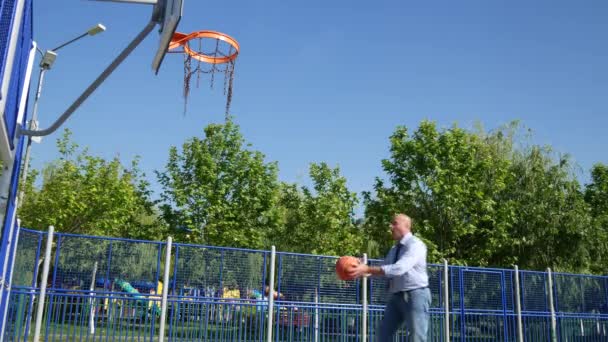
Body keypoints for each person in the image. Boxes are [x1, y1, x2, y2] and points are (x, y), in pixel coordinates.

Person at [350, 213, 431, 342]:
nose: (390, 226)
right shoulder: (394, 249)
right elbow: (384, 269)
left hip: (415, 294)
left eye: (394, 223)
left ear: (406, 225)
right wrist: (359, 271)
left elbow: (399, 269)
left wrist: (367, 268)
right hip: (396, 297)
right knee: (383, 334)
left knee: (417, 337)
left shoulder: (416, 245)